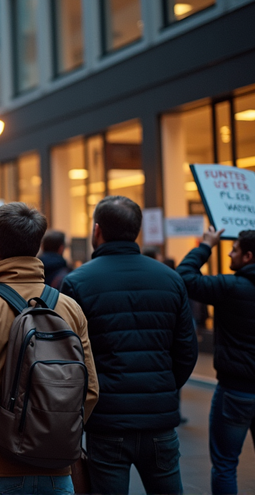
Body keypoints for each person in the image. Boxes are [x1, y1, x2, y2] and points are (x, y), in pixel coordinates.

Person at [0, 202, 99, 494]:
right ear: (36, 245)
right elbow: (89, 391)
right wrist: (55, 429)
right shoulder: (68, 307)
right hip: (57, 468)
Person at [59, 196, 197, 495]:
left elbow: (70, 357)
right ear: (137, 230)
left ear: (97, 230)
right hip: (158, 416)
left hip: (107, 419)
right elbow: (186, 350)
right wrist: (164, 386)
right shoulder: (171, 279)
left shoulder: (77, 282)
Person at [176, 227, 255, 495]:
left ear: (248, 256)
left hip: (237, 391)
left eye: (234, 250)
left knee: (225, 465)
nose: (230, 254)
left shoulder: (229, 286)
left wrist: (206, 246)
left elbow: (184, 277)